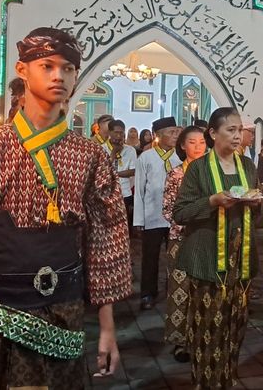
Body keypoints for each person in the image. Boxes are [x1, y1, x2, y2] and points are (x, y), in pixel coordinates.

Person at [0, 27, 131, 387]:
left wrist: (107, 328)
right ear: (22, 69)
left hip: (65, 307)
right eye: (46, 65)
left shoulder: (91, 154)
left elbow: (105, 242)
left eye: (68, 68)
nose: (59, 75)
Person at [172, 107, 260, 388]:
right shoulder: (198, 168)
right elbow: (180, 212)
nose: (238, 136)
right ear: (213, 133)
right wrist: (211, 202)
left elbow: (258, 213)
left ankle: (228, 378)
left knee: (235, 326)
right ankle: (206, 381)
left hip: (240, 258)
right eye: (230, 130)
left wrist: (259, 203)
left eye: (239, 130)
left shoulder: (247, 166)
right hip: (208, 259)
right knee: (208, 327)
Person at [161, 125, 207, 363]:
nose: (198, 147)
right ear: (182, 145)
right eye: (192, 142)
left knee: (202, 289)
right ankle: (180, 341)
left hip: (206, 240)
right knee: (180, 289)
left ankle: (200, 335)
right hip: (182, 239)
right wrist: (193, 220)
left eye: (201, 142)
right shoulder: (176, 174)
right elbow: (168, 210)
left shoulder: (212, 173)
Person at [134, 116, 182, 310]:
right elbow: (139, 189)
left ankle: (174, 288)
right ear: (158, 136)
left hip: (176, 217)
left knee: (176, 256)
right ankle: (147, 293)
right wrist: (139, 219)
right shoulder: (146, 157)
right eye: (171, 133)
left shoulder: (180, 157)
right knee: (150, 257)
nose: (175, 136)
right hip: (152, 216)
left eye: (176, 132)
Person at [106, 119, 137, 232]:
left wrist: (114, 174)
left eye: (121, 133)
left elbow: (133, 171)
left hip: (125, 192)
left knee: (124, 225)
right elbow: (103, 171)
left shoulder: (130, 150)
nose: (119, 136)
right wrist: (113, 153)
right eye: (116, 132)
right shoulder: (101, 148)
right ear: (109, 132)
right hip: (106, 193)